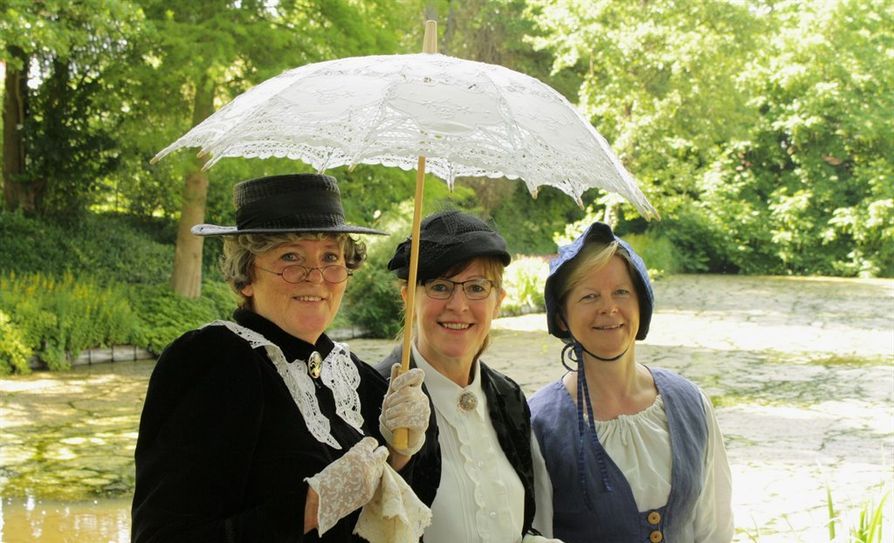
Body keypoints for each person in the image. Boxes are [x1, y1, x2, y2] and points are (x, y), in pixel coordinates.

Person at [131, 173, 432, 543]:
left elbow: (390, 520)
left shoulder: (351, 374)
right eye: (290, 257)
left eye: (330, 258)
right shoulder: (213, 362)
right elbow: (162, 536)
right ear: (246, 276)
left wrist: (401, 450)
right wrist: (310, 505)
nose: (315, 277)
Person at [528, 221, 734, 543]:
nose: (608, 308)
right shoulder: (538, 423)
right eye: (589, 296)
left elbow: (714, 531)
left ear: (641, 303)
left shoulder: (691, 403)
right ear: (561, 316)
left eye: (621, 292)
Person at [377, 210, 560, 543]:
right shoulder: (372, 396)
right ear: (408, 298)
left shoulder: (509, 398)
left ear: (497, 302)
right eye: (440, 286)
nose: (458, 305)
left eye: (476, 287)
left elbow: (520, 527)